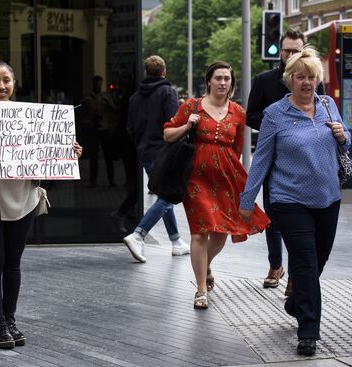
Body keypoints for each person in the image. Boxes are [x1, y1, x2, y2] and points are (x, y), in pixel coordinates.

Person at [0, 58, 83, 349]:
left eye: (6, 81)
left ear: (14, 84)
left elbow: (47, 164)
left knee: (13, 263)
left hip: (22, 195)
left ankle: (9, 319)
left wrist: (66, 155)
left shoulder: (31, 114)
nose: (2, 86)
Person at [240, 47, 350, 356]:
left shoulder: (328, 105)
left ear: (318, 79)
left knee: (319, 261)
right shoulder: (276, 114)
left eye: (311, 76)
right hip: (289, 200)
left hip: (328, 197)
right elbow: (261, 160)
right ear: (290, 80)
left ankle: (296, 300)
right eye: (300, 77)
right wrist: (248, 199)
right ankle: (308, 332)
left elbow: (346, 141)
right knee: (305, 261)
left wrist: (343, 136)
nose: (306, 82)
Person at [163, 61, 270, 309]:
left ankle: (205, 264)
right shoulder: (192, 106)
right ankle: (201, 289)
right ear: (208, 81)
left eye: (227, 79)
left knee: (220, 234)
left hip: (225, 180)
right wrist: (187, 125)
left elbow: (236, 149)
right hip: (195, 179)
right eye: (218, 78)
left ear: (232, 83)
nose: (223, 82)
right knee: (200, 232)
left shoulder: (239, 113)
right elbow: (167, 134)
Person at [247, 29, 325, 294]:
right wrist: (276, 127)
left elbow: (324, 111)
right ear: (278, 51)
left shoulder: (313, 80)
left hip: (306, 165)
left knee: (301, 224)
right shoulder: (264, 80)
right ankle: (275, 265)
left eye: (296, 50)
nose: (291, 55)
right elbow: (251, 115)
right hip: (274, 161)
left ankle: (294, 276)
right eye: (287, 50)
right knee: (274, 215)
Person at [123, 55, 190, 263]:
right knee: (168, 196)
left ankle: (176, 241)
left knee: (164, 194)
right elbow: (173, 123)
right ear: (164, 72)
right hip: (165, 153)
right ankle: (138, 235)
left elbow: (130, 128)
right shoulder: (167, 92)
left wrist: (141, 145)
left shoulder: (135, 97)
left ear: (146, 72)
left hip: (145, 153)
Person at [81, 75, 117, 187]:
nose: (98, 85)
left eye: (99, 83)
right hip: (93, 129)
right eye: (96, 83)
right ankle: (93, 181)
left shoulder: (106, 96)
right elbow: (82, 112)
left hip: (104, 128)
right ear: (93, 83)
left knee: (108, 156)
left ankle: (111, 180)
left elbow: (113, 111)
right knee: (93, 157)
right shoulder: (88, 97)